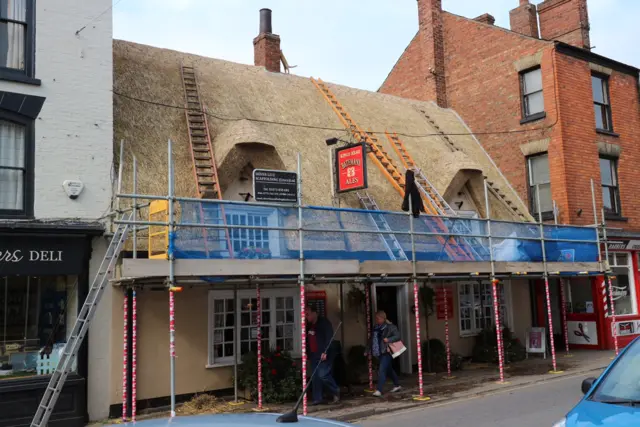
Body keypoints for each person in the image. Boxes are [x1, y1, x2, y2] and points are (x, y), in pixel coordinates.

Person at [306, 305, 340, 405]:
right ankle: (318, 398)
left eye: (308, 314)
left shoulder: (324, 323)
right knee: (315, 377)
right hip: (313, 354)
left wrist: (325, 351)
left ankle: (335, 390)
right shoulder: (309, 325)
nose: (306, 317)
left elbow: (329, 338)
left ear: (314, 313)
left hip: (324, 354)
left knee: (323, 375)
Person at [368, 310, 402, 397]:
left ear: (383, 318)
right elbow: (371, 339)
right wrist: (367, 349)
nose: (377, 320)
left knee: (382, 370)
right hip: (378, 351)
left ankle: (379, 390)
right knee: (389, 369)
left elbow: (398, 336)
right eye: (376, 318)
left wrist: (389, 340)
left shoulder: (390, 327)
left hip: (387, 351)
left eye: (378, 318)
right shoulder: (376, 327)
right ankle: (397, 385)